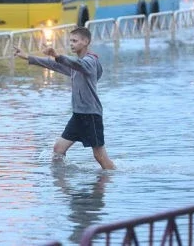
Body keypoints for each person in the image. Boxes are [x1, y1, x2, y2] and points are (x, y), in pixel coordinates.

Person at [13, 27, 116, 170]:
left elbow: (77, 64)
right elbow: (54, 64)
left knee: (100, 157)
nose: (71, 44)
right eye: (70, 41)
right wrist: (28, 57)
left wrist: (58, 55)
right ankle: (62, 187)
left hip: (91, 115)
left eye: (75, 41)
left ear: (85, 41)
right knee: (58, 150)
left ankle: (109, 183)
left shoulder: (90, 62)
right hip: (78, 116)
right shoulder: (75, 65)